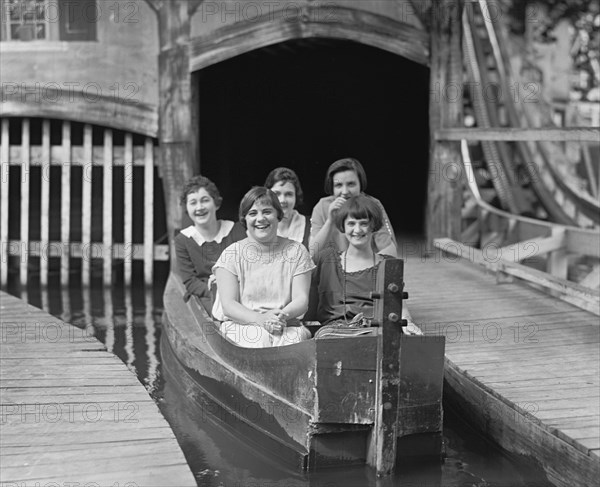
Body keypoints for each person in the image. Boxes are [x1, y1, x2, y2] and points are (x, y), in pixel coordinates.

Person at [213, 187, 314, 348]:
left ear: (278, 216)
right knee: (257, 341)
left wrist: (280, 317)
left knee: (292, 343)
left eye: (267, 211)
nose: (260, 219)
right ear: (244, 218)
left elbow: (301, 299)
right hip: (243, 325)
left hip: (287, 324)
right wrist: (260, 319)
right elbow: (229, 305)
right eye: (253, 213)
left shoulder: (297, 251)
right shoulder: (231, 254)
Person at [311, 194, 414, 336]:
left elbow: (400, 307)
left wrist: (408, 323)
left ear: (373, 226)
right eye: (351, 223)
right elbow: (308, 256)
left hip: (376, 333)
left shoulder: (387, 264)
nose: (357, 230)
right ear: (343, 226)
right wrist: (329, 221)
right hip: (335, 335)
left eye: (364, 223)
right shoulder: (328, 259)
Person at [174, 175, 246, 303]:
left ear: (216, 203)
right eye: (193, 203)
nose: (199, 207)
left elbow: (247, 268)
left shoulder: (236, 231)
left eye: (205, 200)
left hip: (239, 292)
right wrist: (217, 291)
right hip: (207, 297)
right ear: (187, 208)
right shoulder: (182, 240)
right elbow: (190, 281)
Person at [309, 157, 397, 258]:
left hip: (367, 268)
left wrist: (369, 267)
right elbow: (312, 253)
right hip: (333, 270)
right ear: (331, 187)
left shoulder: (373, 205)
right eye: (338, 185)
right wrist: (330, 221)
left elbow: (390, 251)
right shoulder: (322, 207)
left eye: (351, 184)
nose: (345, 192)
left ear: (361, 184)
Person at [264, 167, 311, 248]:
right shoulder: (257, 226)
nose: (282, 200)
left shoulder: (311, 225)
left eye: (289, 194)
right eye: (276, 194)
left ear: (296, 196)